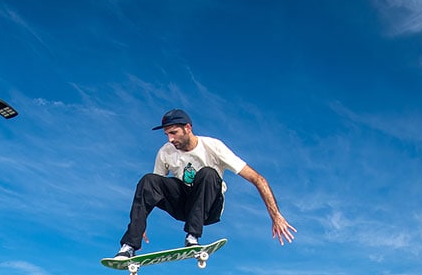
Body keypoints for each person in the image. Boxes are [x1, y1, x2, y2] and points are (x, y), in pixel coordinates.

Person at [114, 109, 296, 259]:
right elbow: (152, 191)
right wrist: (141, 222)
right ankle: (129, 246)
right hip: (183, 206)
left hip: (209, 207)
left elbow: (257, 179)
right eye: (167, 134)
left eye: (173, 133)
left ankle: (192, 237)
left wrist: (276, 215)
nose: (170, 139)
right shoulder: (165, 152)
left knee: (208, 173)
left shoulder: (213, 146)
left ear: (187, 128)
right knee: (148, 180)